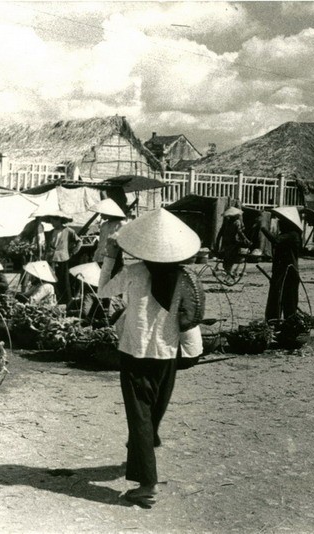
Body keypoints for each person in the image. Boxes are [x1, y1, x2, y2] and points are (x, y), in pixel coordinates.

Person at [98, 208, 205, 504]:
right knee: (153, 410)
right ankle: (143, 448)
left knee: (140, 414)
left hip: (136, 352)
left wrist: (110, 256)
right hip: (168, 353)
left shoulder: (134, 272)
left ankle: (147, 484)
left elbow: (104, 291)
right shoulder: (183, 277)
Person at [261, 207, 303, 321]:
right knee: (276, 296)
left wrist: (264, 229)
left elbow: (276, 241)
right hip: (281, 269)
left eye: (281, 222)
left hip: (289, 271)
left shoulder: (292, 235)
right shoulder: (288, 234)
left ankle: (288, 322)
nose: (279, 224)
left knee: (287, 298)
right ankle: (274, 321)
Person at [43, 211, 82, 306]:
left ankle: (66, 301)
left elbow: (79, 241)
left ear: (59, 220)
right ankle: (53, 299)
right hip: (51, 258)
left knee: (63, 280)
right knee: (52, 279)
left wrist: (72, 252)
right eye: (51, 221)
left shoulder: (69, 231)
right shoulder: (51, 232)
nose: (52, 223)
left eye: (53, 221)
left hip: (63, 258)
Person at [214, 207, 252, 275]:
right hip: (233, 242)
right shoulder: (236, 222)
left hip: (226, 242)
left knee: (227, 257)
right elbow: (240, 232)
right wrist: (246, 240)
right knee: (232, 257)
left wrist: (217, 241)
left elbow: (220, 233)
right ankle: (230, 272)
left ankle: (228, 271)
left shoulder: (226, 222)